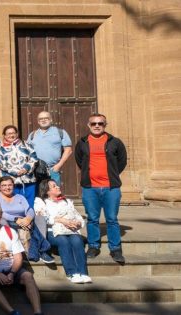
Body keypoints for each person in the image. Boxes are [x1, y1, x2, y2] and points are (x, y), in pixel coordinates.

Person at [75, 113, 127, 263]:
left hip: (111, 188)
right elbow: (79, 160)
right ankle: (93, 246)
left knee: (112, 219)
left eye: (100, 123)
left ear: (105, 125)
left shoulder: (115, 142)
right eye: (94, 123)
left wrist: (112, 175)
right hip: (90, 188)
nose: (97, 126)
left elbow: (122, 161)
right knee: (92, 219)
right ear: (88, 125)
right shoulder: (82, 142)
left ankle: (115, 249)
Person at [35, 179, 91, 284]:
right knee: (63, 241)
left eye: (56, 185)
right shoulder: (41, 202)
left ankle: (83, 272)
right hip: (52, 231)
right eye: (54, 186)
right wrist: (62, 220)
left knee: (77, 240)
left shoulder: (67, 201)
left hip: (70, 230)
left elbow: (78, 216)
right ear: (47, 191)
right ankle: (72, 273)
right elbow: (43, 218)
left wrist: (78, 223)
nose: (58, 187)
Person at [0, 176, 52, 263]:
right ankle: (43, 250)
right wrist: (16, 219)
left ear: (13, 186)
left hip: (23, 221)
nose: (7, 187)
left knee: (37, 220)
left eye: (10, 185)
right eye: (4, 185)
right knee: (31, 227)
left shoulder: (19, 197)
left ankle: (34, 253)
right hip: (6, 222)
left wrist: (28, 219)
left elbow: (29, 210)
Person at [0, 125, 39, 209]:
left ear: (17, 134)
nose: (11, 135)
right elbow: (0, 162)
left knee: (29, 204)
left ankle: (29, 217)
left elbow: (34, 157)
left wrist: (26, 168)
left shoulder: (26, 144)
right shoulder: (0, 147)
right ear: (4, 135)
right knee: (13, 205)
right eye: (8, 134)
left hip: (28, 179)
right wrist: (15, 172)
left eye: (13, 133)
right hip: (11, 182)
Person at [27, 111, 73, 186]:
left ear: (51, 120)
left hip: (52, 170)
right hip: (36, 170)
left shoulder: (60, 132)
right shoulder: (32, 134)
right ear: (38, 121)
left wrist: (58, 166)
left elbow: (68, 150)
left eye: (46, 118)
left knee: (54, 192)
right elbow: (27, 151)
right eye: (41, 119)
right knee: (37, 192)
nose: (43, 120)